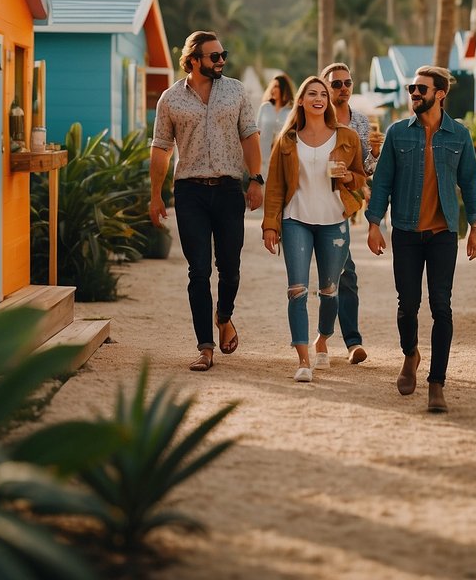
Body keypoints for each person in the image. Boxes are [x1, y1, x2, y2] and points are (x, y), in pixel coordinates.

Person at [365, 66, 476, 413]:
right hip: (404, 231)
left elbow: (471, 183)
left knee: (442, 306)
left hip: (443, 233)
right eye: (411, 89)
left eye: (420, 89)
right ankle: (410, 354)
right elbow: (383, 181)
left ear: (440, 93)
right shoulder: (398, 133)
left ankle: (437, 383)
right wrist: (374, 223)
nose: (414, 94)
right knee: (407, 305)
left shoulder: (459, 135)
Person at [150, 31, 264, 372]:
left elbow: (250, 135)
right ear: (193, 60)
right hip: (190, 192)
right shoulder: (170, 99)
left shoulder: (236, 91)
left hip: (229, 188)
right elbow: (161, 149)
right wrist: (155, 195)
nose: (221, 61)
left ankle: (224, 315)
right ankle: (205, 347)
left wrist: (256, 179)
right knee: (198, 270)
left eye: (222, 54)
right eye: (214, 56)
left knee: (229, 269)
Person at [262, 76, 366, 382]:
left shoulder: (346, 136)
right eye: (312, 93)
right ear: (302, 101)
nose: (319, 98)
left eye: (323, 93)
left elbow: (360, 177)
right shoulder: (287, 140)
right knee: (297, 290)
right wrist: (271, 225)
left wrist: (348, 178)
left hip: (334, 221)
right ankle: (303, 359)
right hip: (296, 220)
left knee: (329, 292)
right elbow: (275, 187)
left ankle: (323, 338)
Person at [320, 62, 376, 365]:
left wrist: (374, 157)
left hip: (340, 208)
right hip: (310, 205)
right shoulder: (315, 116)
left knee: (345, 274)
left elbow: (363, 169)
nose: (343, 88)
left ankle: (351, 342)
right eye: (337, 83)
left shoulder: (361, 122)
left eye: (347, 83)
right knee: (317, 279)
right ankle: (319, 341)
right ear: (326, 86)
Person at [256, 73, 294, 180]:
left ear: (284, 89)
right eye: (272, 86)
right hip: (262, 160)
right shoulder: (265, 107)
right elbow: (256, 132)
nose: (273, 89)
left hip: (282, 161)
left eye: (276, 86)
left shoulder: (291, 111)